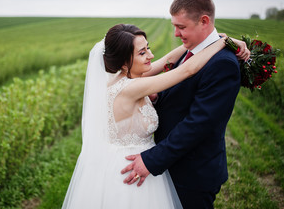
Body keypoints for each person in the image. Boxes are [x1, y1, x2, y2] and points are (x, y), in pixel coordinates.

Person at [62, 22, 249, 208]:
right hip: (131, 169)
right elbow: (187, 69)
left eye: (148, 48)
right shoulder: (130, 87)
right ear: (124, 62)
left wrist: (217, 38)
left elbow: (170, 58)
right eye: (142, 53)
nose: (150, 55)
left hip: (138, 162)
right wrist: (223, 43)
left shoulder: (128, 76)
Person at [121, 0, 246, 208]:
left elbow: (198, 124)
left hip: (193, 174)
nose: (176, 34)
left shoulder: (223, 64)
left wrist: (152, 160)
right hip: (174, 166)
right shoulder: (192, 51)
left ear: (204, 21)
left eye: (181, 27)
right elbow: (180, 95)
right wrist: (157, 99)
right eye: (175, 26)